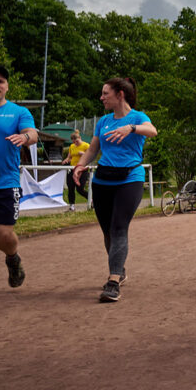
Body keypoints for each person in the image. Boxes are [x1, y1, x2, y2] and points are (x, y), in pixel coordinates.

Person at [72, 77, 158, 303]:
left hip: (130, 178)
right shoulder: (103, 121)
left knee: (120, 227)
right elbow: (93, 150)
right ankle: (119, 268)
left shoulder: (138, 117)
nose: (101, 98)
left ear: (120, 94)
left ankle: (113, 282)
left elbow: (152, 131)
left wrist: (130, 129)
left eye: (105, 93)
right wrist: (80, 166)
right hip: (103, 181)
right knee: (108, 232)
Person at [0, 65, 38, 288]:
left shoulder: (18, 112)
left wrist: (24, 138)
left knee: (3, 234)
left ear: (7, 86)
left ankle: (13, 258)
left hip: (5, 182)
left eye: (1, 81)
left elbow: (32, 133)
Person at [61, 130, 90, 212]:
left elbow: (91, 156)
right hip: (72, 168)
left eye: (76, 141)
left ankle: (91, 199)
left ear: (80, 138)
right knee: (70, 187)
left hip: (82, 169)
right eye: (73, 141)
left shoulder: (86, 145)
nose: (75, 143)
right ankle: (72, 206)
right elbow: (69, 157)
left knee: (80, 189)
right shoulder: (72, 146)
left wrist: (83, 154)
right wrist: (66, 160)